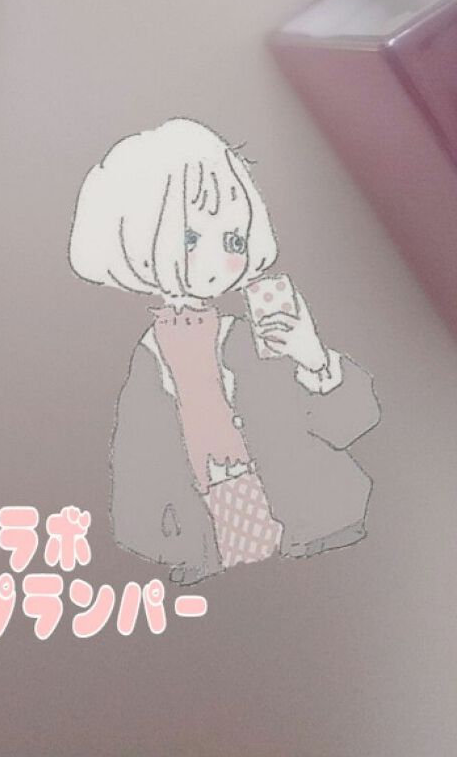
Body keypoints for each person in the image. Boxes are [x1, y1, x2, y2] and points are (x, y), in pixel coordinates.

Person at [68, 118, 380, 582]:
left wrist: (313, 357)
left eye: (233, 239)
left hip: (317, 540)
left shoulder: (254, 340)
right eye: (190, 238)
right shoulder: (147, 362)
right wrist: (167, 544)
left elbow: (350, 425)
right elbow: (135, 471)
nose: (218, 259)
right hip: (211, 554)